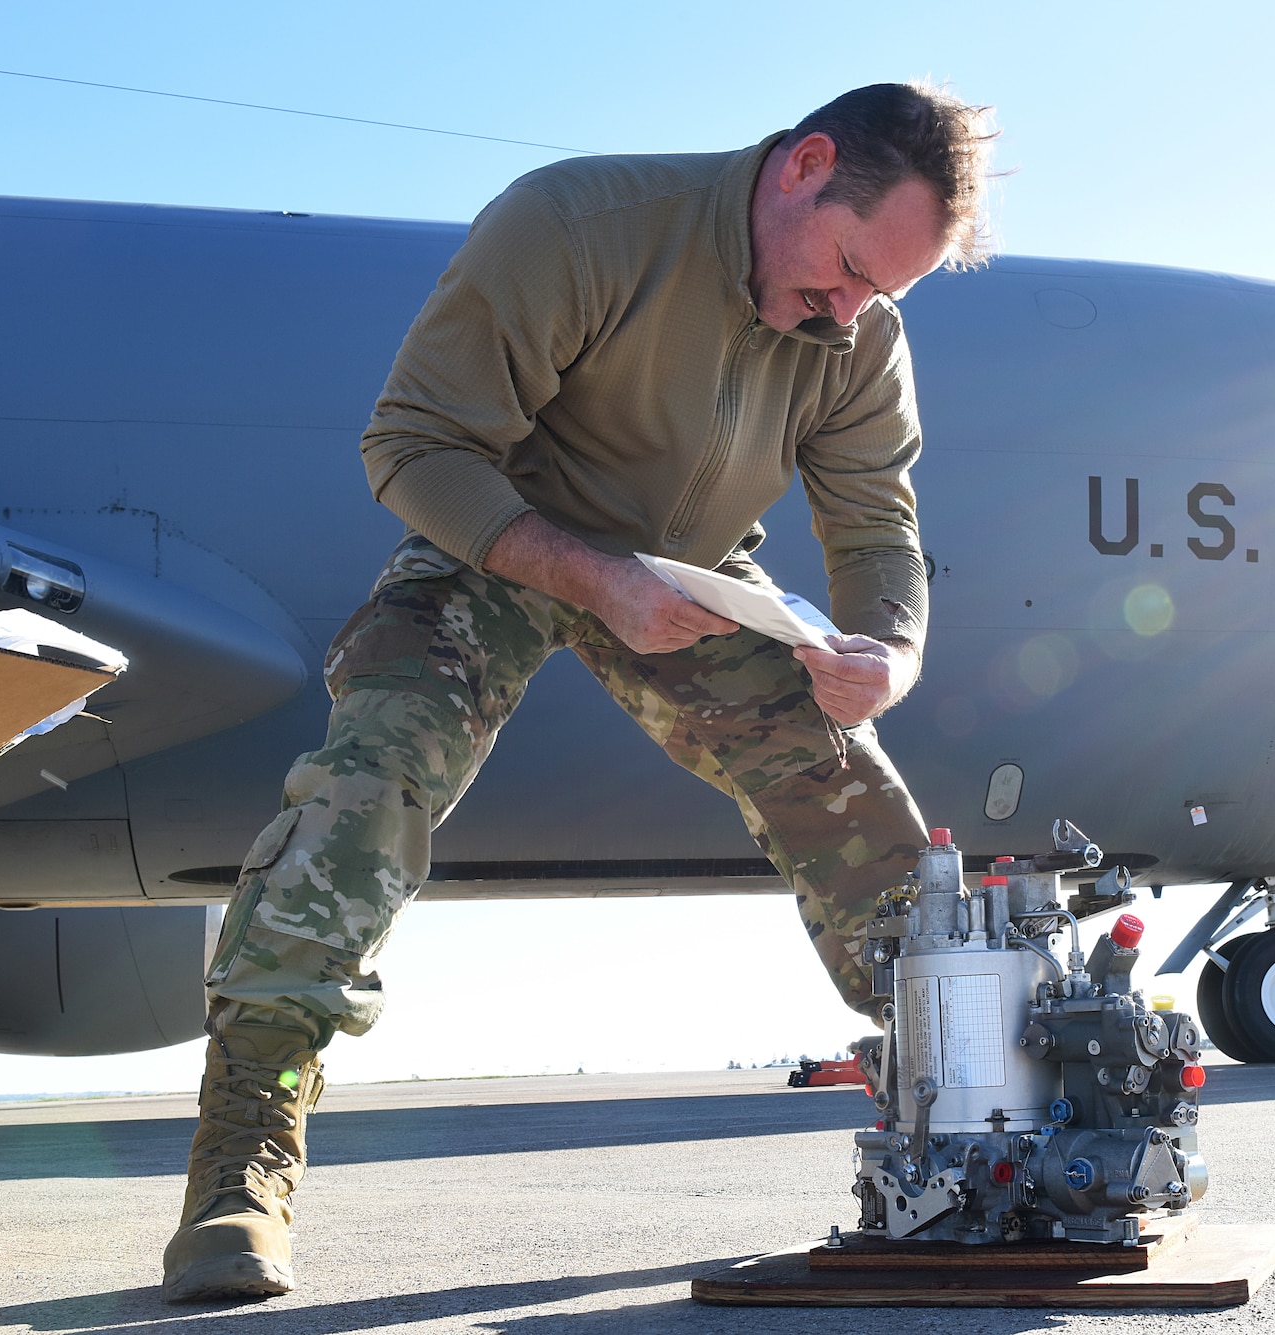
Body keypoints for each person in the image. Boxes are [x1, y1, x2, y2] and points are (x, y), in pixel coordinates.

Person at [161, 82, 999, 1303]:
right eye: (845, 271)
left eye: (882, 296)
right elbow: (412, 446)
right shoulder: (579, 224)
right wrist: (591, 578)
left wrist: (891, 650)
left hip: (695, 579)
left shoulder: (857, 332)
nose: (850, 314)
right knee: (368, 784)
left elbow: (877, 526)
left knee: (845, 789)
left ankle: (981, 1132)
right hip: (495, 544)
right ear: (803, 165)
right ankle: (240, 1171)